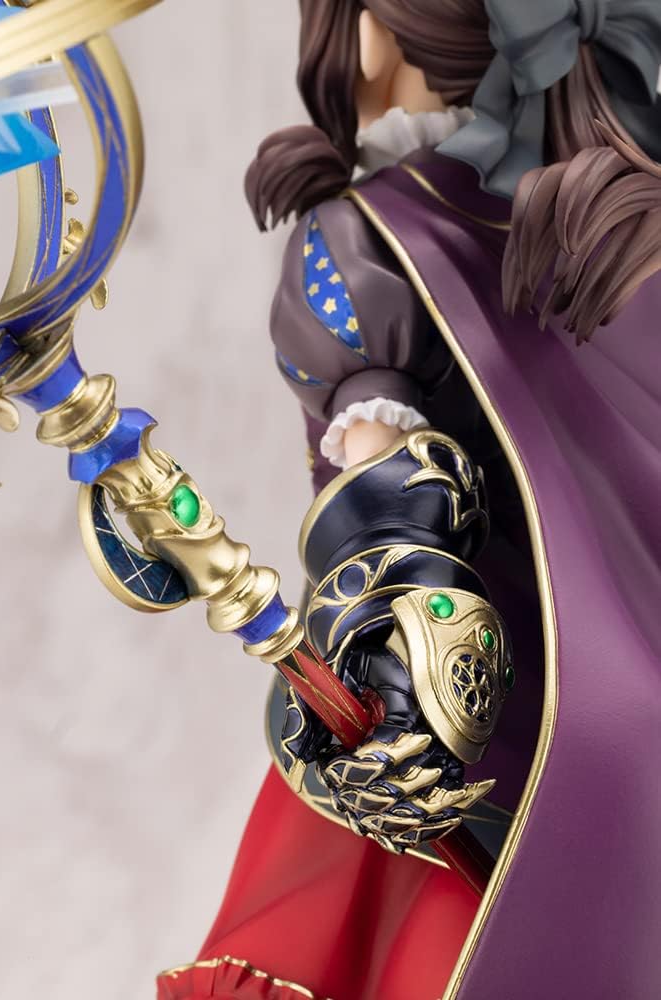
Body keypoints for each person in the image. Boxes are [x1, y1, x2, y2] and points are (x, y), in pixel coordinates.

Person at [158, 2, 661, 998]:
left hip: (479, 736)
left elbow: (397, 523)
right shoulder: (620, 202)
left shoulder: (364, 237)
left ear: (372, 29)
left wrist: (393, 700)